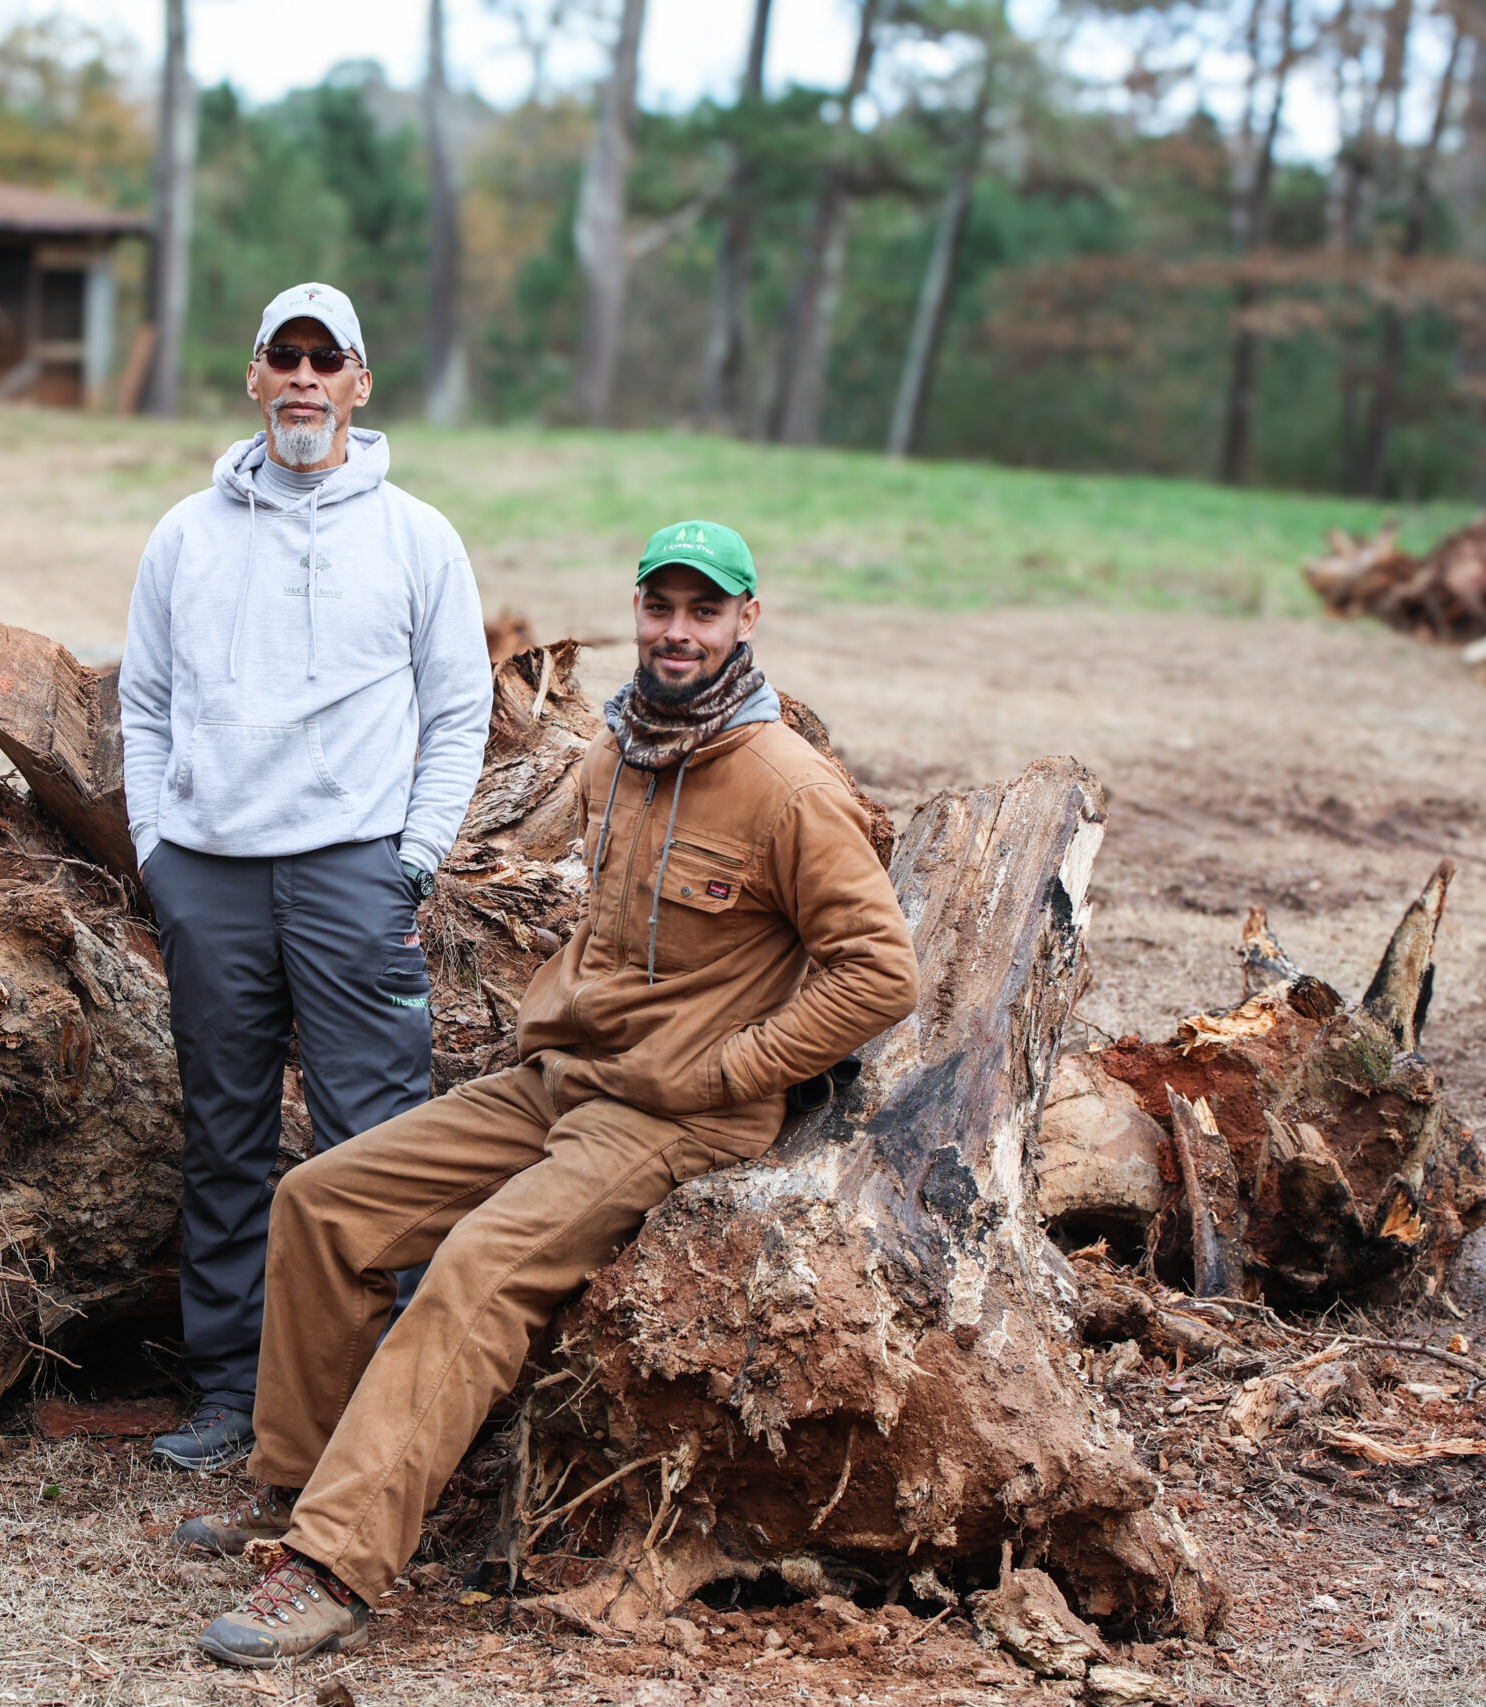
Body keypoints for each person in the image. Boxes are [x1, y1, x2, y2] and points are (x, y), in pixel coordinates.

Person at [173, 520, 920, 1667]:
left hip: (672, 1115)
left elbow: (879, 971)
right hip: (560, 1080)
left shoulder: (783, 785)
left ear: (745, 622)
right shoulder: (621, 749)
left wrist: (732, 1070)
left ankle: (332, 1567)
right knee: (324, 1200)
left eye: (703, 612)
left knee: (480, 1267)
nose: (676, 632)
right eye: (659, 607)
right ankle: (300, 1494)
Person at [121, 282, 491, 1473]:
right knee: (224, 1138)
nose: (303, 379)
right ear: (253, 375)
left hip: (351, 879)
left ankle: (382, 1402)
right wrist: (156, 851)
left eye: (325, 360)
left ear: (360, 383)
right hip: (212, 878)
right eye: (283, 356)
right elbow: (144, 704)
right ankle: (231, 1392)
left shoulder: (416, 536)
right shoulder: (187, 533)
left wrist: (413, 862)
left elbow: (459, 710)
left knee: (375, 1143)